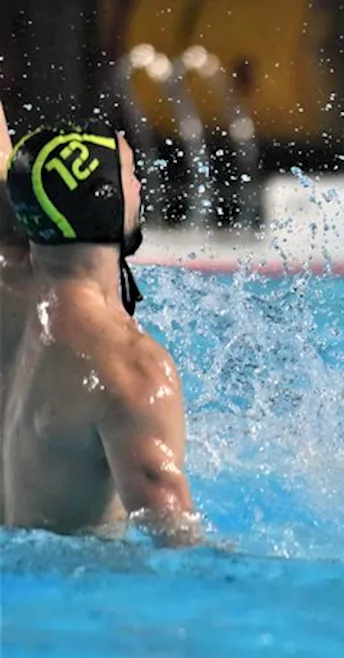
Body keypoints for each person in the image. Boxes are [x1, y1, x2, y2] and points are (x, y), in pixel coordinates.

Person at [1, 116, 202, 547]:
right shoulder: (131, 369)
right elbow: (179, 542)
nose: (141, 186)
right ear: (104, 200)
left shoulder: (9, 291)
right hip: (73, 590)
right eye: (131, 174)